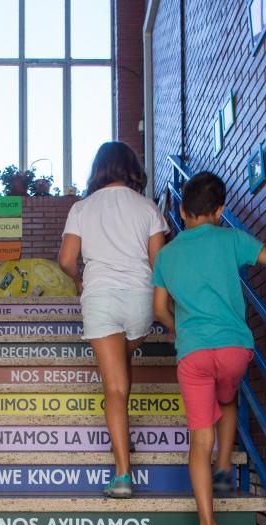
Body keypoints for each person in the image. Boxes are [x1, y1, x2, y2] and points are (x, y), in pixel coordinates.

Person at [152, 171, 266, 525]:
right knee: (228, 400)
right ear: (221, 210)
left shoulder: (167, 254)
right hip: (234, 349)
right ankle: (226, 467)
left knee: (200, 439)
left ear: (180, 211)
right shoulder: (232, 239)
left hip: (193, 353)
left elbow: (160, 309)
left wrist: (179, 327)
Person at [58, 142, 168, 498]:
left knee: (114, 387)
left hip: (101, 297)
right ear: (131, 168)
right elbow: (160, 264)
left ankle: (122, 475)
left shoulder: (81, 208)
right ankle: (125, 442)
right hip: (140, 300)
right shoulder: (147, 207)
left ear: (99, 168)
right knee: (123, 357)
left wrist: (79, 281)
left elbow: (65, 260)